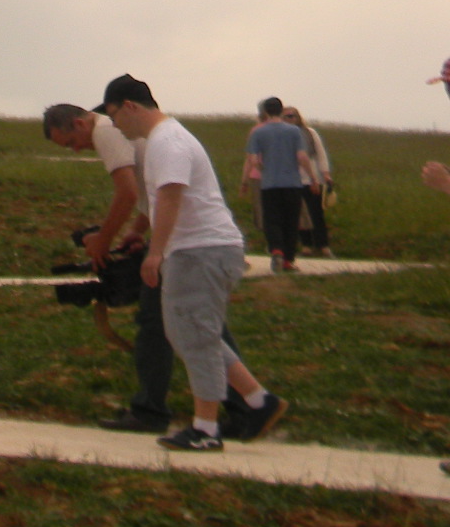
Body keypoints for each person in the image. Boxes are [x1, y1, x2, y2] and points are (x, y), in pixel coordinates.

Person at [101, 74, 287, 451]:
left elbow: (170, 197)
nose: (115, 125)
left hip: (200, 250)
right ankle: (258, 402)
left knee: (195, 339)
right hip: (198, 249)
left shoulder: (167, 141)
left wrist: (156, 253)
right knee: (192, 334)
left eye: (114, 115)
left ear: (131, 107)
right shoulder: (165, 138)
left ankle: (206, 429)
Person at [44, 101, 249, 436]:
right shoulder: (130, 134)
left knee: (158, 325)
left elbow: (127, 193)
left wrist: (102, 241)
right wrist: (136, 231)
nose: (77, 150)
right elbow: (151, 192)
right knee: (203, 325)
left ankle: (153, 411)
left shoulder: (105, 131)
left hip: (188, 245)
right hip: (186, 242)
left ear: (80, 124)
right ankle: (248, 405)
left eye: (71, 143)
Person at [241, 97, 313, 273]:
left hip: (269, 184)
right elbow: (302, 157)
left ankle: (276, 250)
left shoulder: (258, 132)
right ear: (281, 111)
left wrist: (262, 170)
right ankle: (288, 260)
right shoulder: (294, 131)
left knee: (272, 220)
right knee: (291, 221)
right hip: (292, 183)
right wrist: (312, 177)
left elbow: (253, 159)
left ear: (265, 112)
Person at [281, 105, 334, 256]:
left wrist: (325, 174)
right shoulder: (281, 134)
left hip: (312, 178)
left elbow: (320, 154)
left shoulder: (310, 133)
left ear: (298, 117)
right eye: (286, 116)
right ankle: (306, 245)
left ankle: (323, 245)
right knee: (299, 214)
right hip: (292, 180)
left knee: (316, 213)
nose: (289, 119)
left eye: (292, 116)